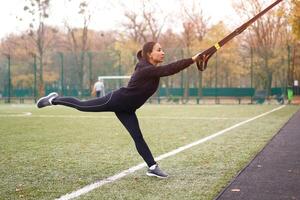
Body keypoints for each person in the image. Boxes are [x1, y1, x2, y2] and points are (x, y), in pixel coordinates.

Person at [36, 41, 201, 178]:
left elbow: (166, 69)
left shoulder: (150, 69)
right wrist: (193, 59)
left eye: (162, 49)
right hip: (116, 100)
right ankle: (54, 99)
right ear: (150, 54)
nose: (163, 52)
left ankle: (152, 167)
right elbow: (169, 69)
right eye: (159, 50)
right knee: (82, 105)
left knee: (138, 137)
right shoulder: (146, 70)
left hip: (128, 109)